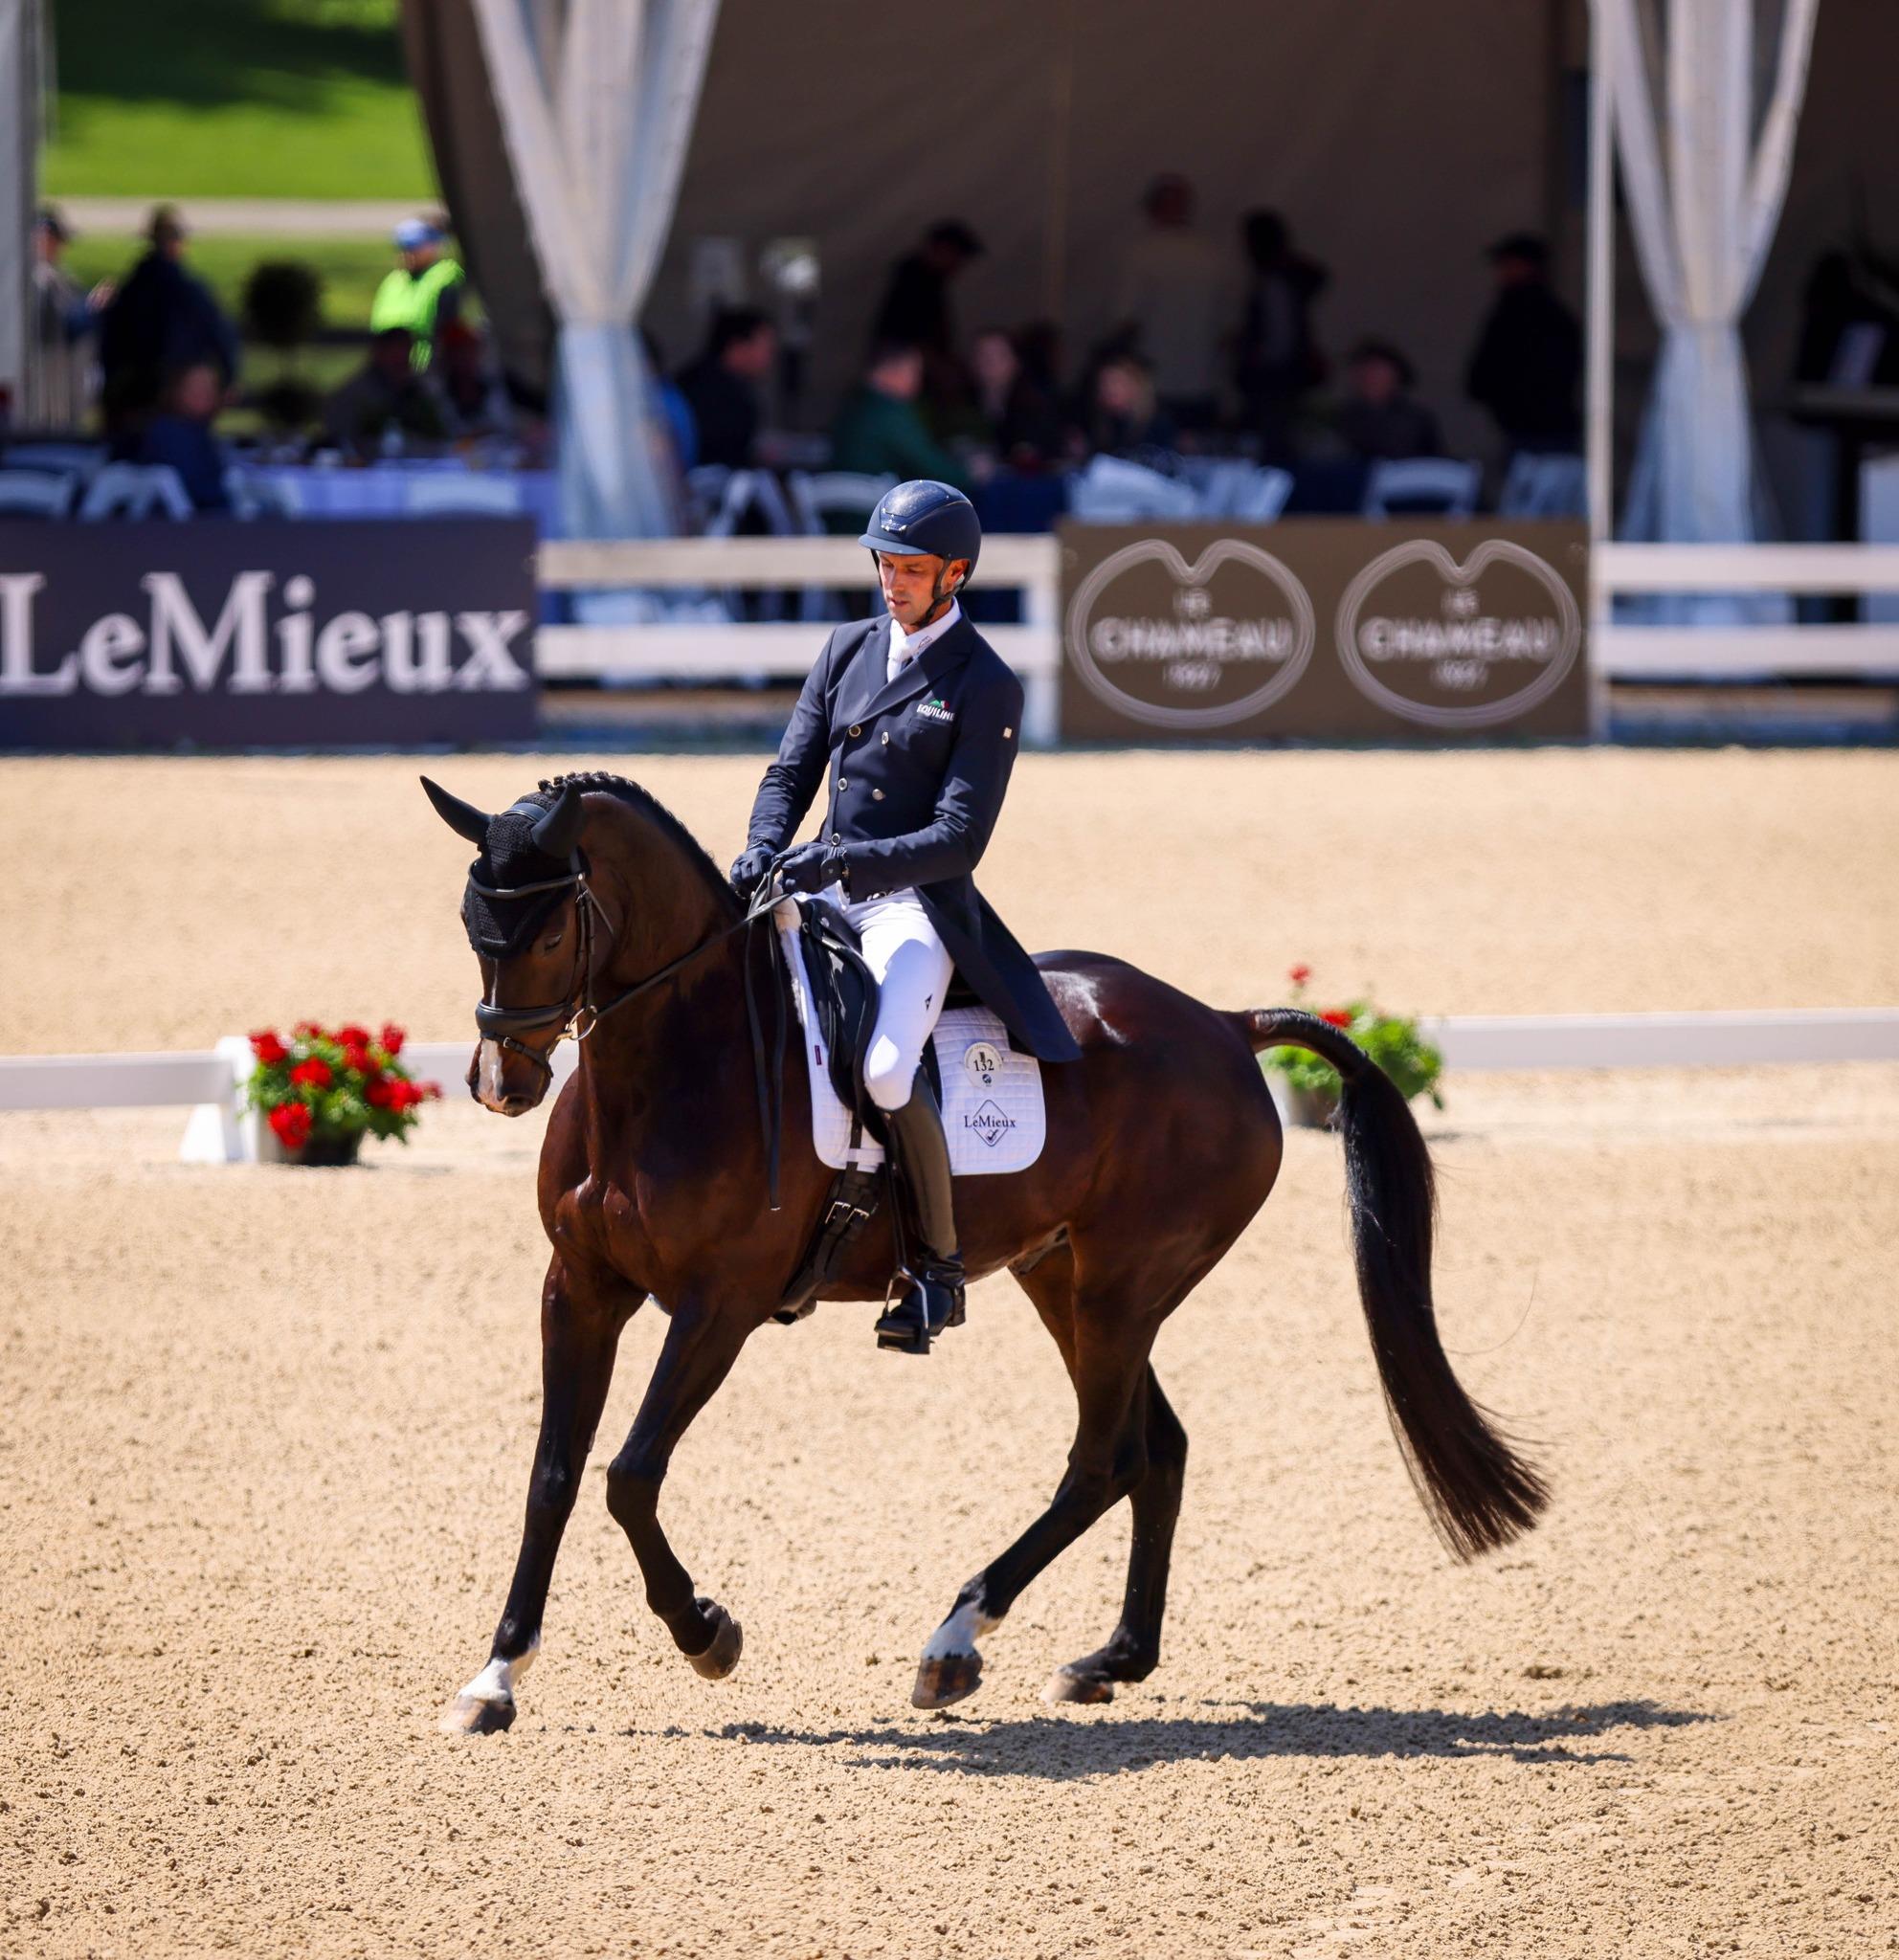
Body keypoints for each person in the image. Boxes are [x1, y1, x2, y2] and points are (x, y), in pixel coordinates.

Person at [731, 480, 1081, 1354]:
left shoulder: (983, 683)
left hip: (907, 907)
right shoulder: (846, 649)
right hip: (812, 885)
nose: (893, 582)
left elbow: (958, 839)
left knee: (887, 1069)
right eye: (885, 563)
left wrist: (841, 861)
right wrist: (760, 844)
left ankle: (937, 1270)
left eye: (913, 569)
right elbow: (789, 775)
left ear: (954, 575)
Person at [99, 205, 240, 449]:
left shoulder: (130, 291)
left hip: (134, 394)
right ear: (177, 243)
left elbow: (109, 344)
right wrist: (228, 378)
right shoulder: (190, 290)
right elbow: (220, 334)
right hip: (178, 392)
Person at [1112, 173, 1230, 431]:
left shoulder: (1139, 253)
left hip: (1156, 380)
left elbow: (1127, 321)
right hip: (1201, 379)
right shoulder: (1212, 255)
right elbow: (1228, 329)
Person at [1464, 232, 1582, 455]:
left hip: (1540, 424)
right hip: (1527, 422)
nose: (1503, 273)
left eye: (1509, 265)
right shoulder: (1517, 309)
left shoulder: (1530, 313)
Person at [1234, 209, 1329, 463]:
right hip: (1286, 374)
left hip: (1275, 377)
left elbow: (1280, 332)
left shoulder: (1274, 279)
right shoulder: (1283, 276)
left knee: (1274, 444)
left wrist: (1257, 361)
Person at [829, 342, 969, 487]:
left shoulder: (854, 402)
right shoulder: (888, 413)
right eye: (914, 371)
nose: (918, 381)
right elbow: (932, 468)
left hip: (834, 502)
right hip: (874, 505)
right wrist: (969, 475)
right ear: (890, 370)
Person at [26, 207, 111, 431]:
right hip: (50, 382)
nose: (61, 247)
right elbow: (67, 324)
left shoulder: (54, 276)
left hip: (60, 379)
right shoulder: (41, 278)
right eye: (56, 240)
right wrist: (94, 306)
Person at [321, 327, 450, 457]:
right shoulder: (352, 395)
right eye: (395, 351)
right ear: (378, 352)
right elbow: (339, 441)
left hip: (419, 470)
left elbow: (441, 436)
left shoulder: (421, 392)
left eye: (406, 350)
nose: (402, 357)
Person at [676, 305, 775, 469]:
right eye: (766, 349)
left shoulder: (727, 385)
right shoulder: (711, 394)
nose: (769, 358)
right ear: (737, 346)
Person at [873, 220, 984, 363]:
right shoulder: (916, 285)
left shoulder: (924, 283)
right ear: (941, 249)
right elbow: (909, 335)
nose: (959, 265)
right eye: (958, 256)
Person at [369, 218, 465, 370]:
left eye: (413, 248)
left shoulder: (446, 277)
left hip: (427, 366)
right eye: (402, 248)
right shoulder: (394, 280)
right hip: (389, 366)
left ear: (433, 246)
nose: (406, 254)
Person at [137, 362, 231, 512]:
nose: (206, 394)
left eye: (210, 387)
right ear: (177, 391)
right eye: (196, 388)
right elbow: (199, 489)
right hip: (176, 525)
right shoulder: (169, 433)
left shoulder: (198, 428)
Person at [1335, 338, 1442, 462]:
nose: (1369, 377)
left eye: (1376, 370)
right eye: (1363, 370)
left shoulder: (1416, 418)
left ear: (1396, 376)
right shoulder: (1341, 416)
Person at [1080, 350, 1177, 460]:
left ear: (1136, 386)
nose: (1107, 390)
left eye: (1115, 382)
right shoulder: (1102, 422)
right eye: (1103, 384)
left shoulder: (1158, 423)